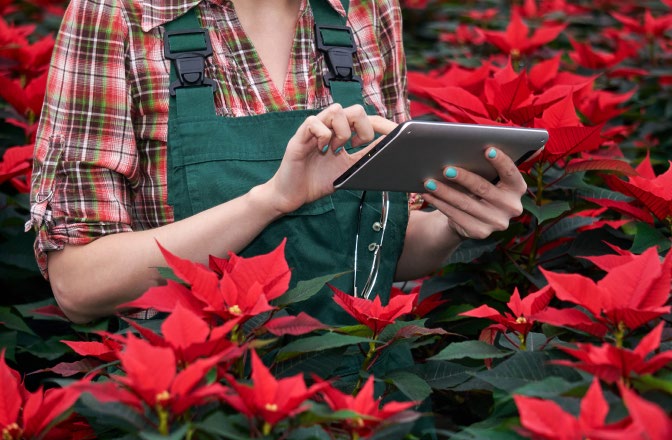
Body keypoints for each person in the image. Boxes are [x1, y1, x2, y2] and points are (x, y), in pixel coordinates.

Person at [29, 0, 526, 325]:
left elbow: (382, 247)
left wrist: (453, 224)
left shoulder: (367, 10)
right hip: (202, 404)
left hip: (362, 399)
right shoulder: (118, 12)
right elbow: (79, 284)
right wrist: (269, 202)